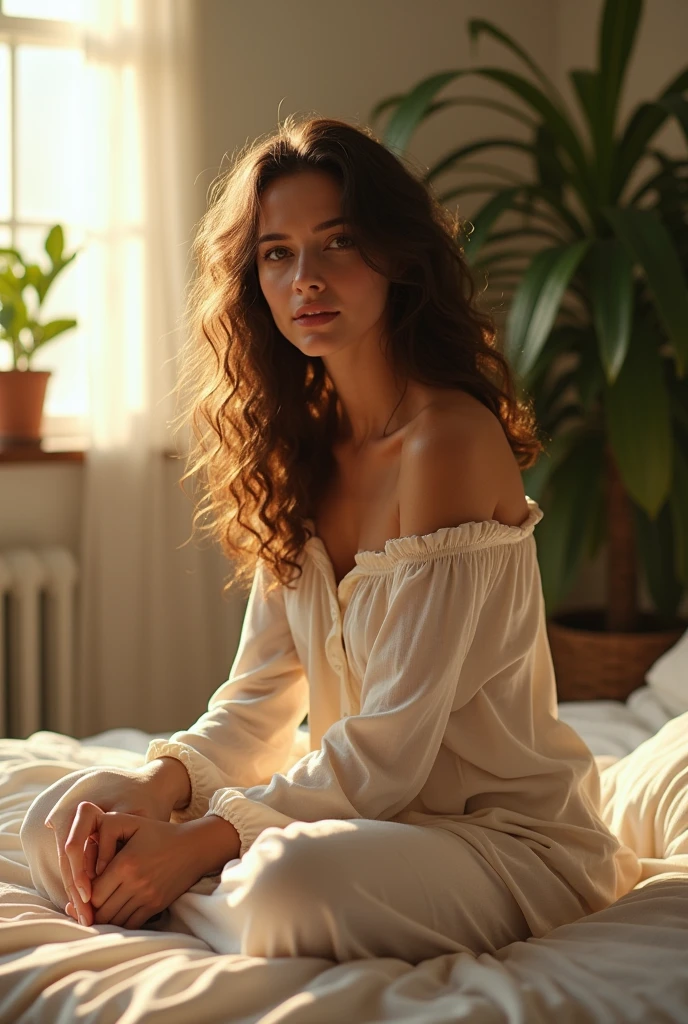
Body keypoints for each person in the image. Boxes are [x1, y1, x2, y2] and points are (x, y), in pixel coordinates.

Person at [20, 115, 642, 963]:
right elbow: (256, 707)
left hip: (500, 845)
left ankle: (173, 890)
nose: (305, 278)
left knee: (287, 888)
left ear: (397, 256)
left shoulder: (447, 440)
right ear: (254, 279)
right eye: (277, 252)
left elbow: (388, 753)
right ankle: (157, 883)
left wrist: (201, 840)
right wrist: (151, 789)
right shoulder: (302, 449)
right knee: (56, 820)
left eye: (337, 242)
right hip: (358, 828)